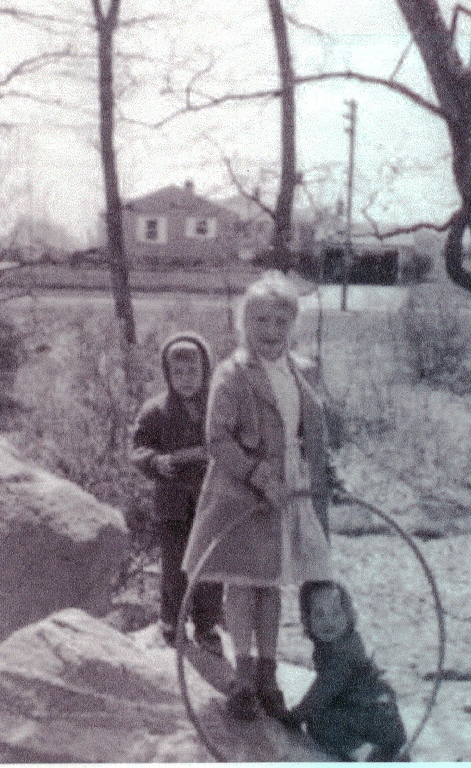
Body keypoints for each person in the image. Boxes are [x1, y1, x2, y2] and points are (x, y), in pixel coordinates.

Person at [182, 271, 335, 721]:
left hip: (292, 489)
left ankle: (268, 673)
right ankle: (243, 675)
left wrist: (328, 474)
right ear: (245, 324)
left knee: (272, 586)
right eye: (261, 322)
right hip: (243, 492)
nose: (270, 332)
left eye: (280, 323)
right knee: (243, 584)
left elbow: (313, 434)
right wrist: (259, 477)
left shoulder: (302, 370)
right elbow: (217, 439)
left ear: (292, 326)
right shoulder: (233, 374)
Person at [130, 332, 223, 653]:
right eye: (178, 373)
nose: (186, 380)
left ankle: (208, 623)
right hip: (171, 506)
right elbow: (138, 448)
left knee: (209, 566)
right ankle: (170, 621)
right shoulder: (155, 411)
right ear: (167, 374)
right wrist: (156, 461)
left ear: (206, 371)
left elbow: (231, 440)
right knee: (173, 566)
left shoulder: (217, 406)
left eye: (193, 373)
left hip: (209, 502)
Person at [283, 580, 407, 763]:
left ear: (349, 615)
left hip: (373, 718)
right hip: (382, 718)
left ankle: (366, 753)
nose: (328, 621)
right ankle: (380, 750)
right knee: (329, 713)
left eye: (336, 613)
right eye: (319, 614)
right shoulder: (339, 643)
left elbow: (323, 690)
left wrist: (298, 715)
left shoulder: (342, 654)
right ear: (307, 619)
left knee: (319, 722)